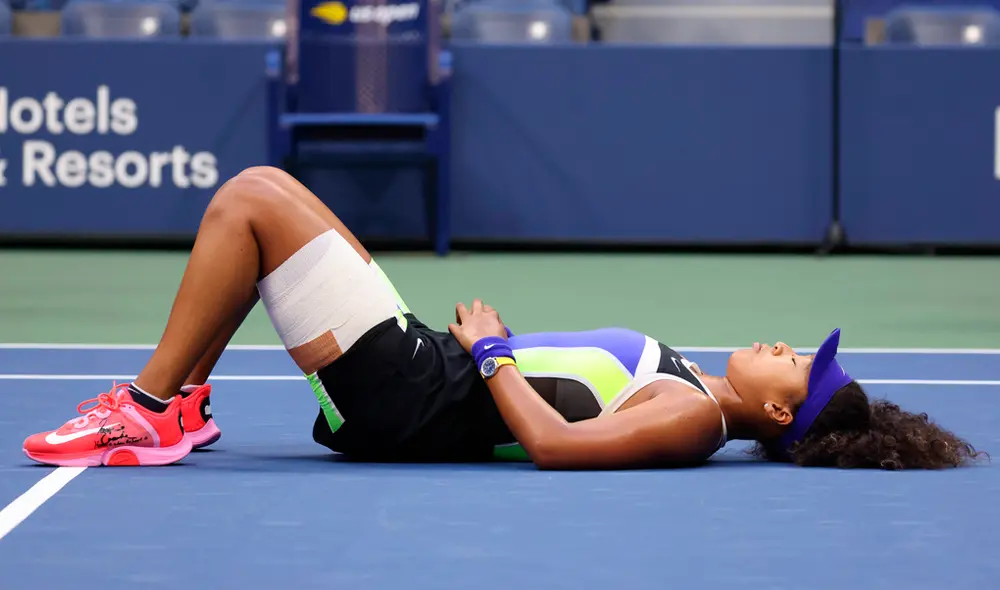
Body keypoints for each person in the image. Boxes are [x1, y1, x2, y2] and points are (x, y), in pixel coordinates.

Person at [23, 167, 982, 470]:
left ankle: (150, 408)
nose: (782, 348)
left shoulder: (694, 418)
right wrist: (492, 351)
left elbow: (558, 449)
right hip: (429, 371)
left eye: (797, 368)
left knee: (255, 201)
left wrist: (489, 353)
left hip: (415, 393)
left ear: (780, 414)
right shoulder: (692, 380)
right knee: (262, 211)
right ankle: (180, 404)